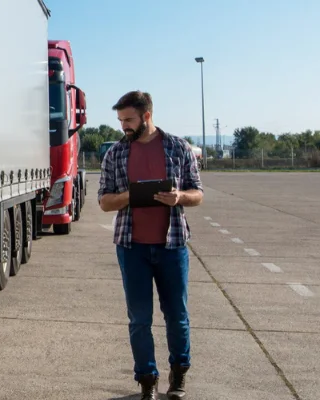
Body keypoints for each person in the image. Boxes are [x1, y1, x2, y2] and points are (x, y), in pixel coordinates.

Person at [98, 90, 203, 399]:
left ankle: (179, 373)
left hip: (173, 246)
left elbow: (198, 193)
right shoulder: (115, 153)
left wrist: (179, 197)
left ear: (147, 115)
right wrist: (130, 195)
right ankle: (147, 380)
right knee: (139, 319)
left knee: (177, 316)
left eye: (129, 120)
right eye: (120, 120)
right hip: (132, 248)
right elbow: (104, 202)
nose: (123, 126)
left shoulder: (178, 147)